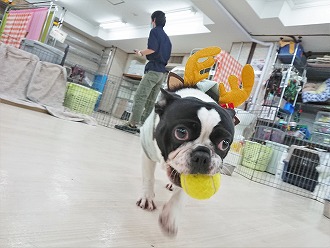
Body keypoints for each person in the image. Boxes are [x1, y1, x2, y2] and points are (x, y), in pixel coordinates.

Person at [115, 10, 172, 134]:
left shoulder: (155, 31)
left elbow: (152, 49)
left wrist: (140, 53)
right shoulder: (167, 39)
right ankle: (146, 127)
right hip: (162, 74)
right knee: (151, 101)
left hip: (153, 71)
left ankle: (132, 124)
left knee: (140, 97)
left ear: (154, 20)